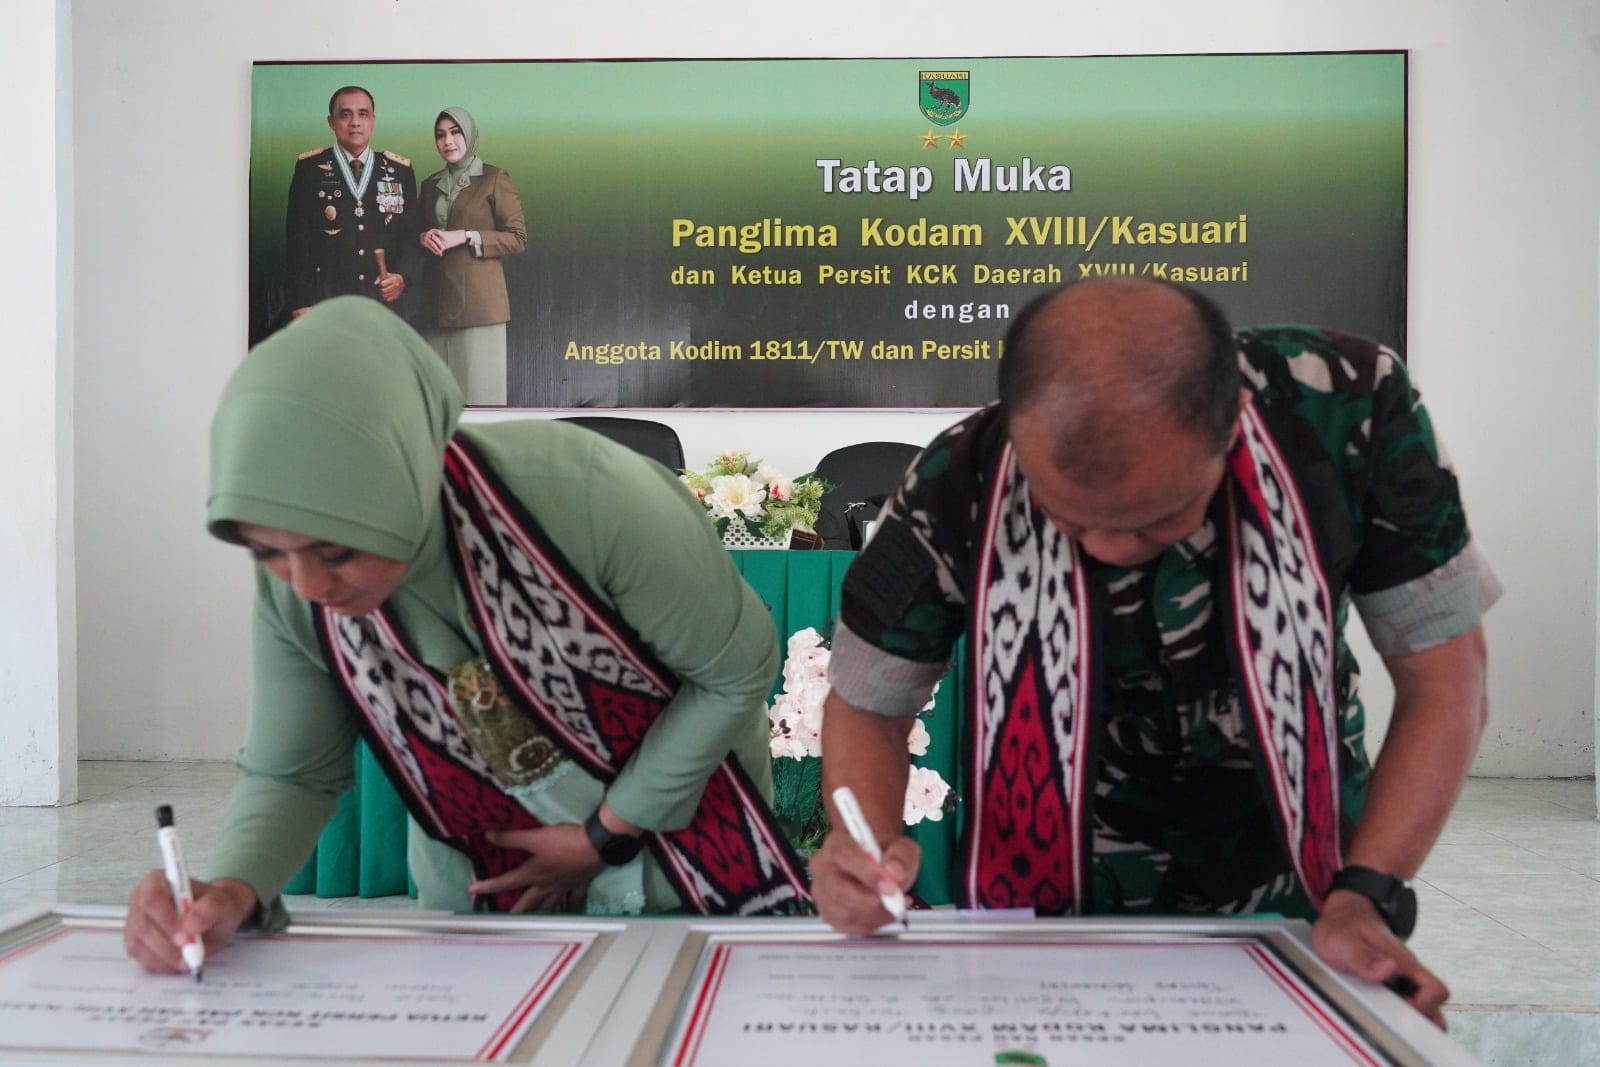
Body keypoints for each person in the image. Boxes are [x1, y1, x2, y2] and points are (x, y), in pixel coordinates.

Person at [812, 278, 1496, 1028]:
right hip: (1032, 919)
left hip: (1301, 901)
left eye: (1157, 517)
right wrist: (864, 844)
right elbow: (868, 703)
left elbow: (1444, 680)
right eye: (1069, 520)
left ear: (1231, 421)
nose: (1111, 548)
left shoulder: (1349, 409)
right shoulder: (959, 477)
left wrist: (1368, 894)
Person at [124, 298, 809, 976]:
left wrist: (606, 832)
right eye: (266, 551)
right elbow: (293, 770)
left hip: (683, 862)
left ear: (402, 477)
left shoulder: (590, 498)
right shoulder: (294, 590)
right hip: (485, 893)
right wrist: (232, 890)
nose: (305, 585)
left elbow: (736, 670)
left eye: (334, 551)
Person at [417, 107, 528, 406]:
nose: (448, 141)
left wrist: (467, 235)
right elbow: (417, 235)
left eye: (455, 133)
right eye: (440, 135)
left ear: (470, 135)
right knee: (438, 404)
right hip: (435, 306)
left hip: (479, 307)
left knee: (481, 402)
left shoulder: (494, 178)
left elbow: (517, 239)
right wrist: (423, 236)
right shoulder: (430, 185)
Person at [284, 86, 421, 319]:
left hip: (382, 302)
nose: (355, 122)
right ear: (331, 122)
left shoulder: (399, 171)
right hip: (326, 300)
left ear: (373, 121)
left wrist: (402, 279)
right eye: (345, 114)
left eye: (363, 114)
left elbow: (410, 236)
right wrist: (302, 300)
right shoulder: (309, 170)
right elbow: (297, 241)